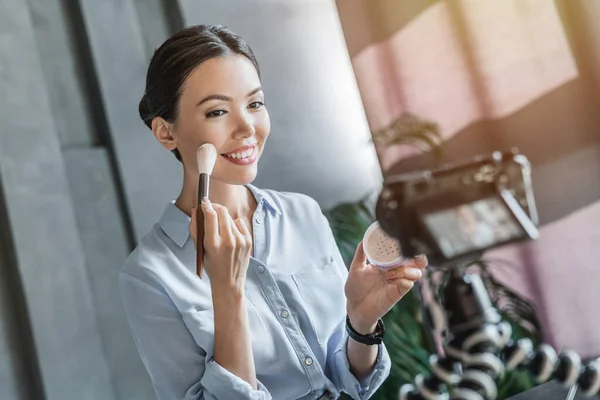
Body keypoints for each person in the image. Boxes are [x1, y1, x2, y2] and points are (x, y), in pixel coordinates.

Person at [119, 24, 428, 400]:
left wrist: (361, 323)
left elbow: (352, 382)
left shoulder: (303, 214)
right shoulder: (149, 275)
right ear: (167, 133)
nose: (247, 127)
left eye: (255, 103)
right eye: (217, 111)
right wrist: (227, 292)